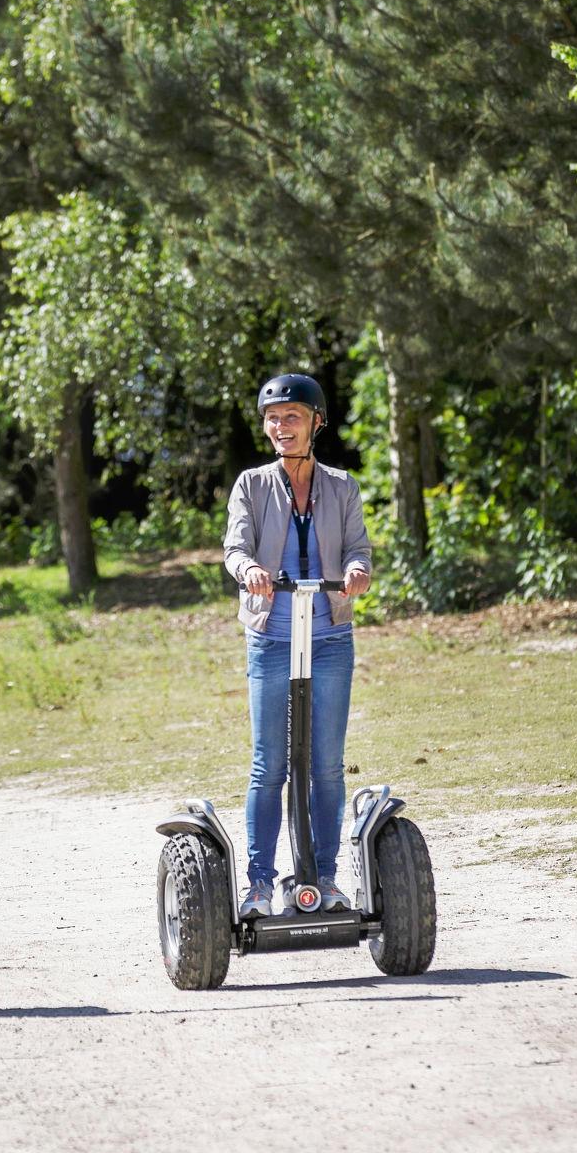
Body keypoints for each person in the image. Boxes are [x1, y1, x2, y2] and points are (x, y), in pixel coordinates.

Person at [221, 373, 374, 919]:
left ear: (316, 422)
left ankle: (326, 878)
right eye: (272, 418)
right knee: (270, 767)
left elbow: (358, 547)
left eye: (291, 417)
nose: (280, 427)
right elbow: (234, 548)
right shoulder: (252, 484)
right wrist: (251, 571)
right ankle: (259, 884)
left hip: (330, 635)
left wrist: (356, 569)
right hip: (273, 636)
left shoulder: (342, 486)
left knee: (327, 767)